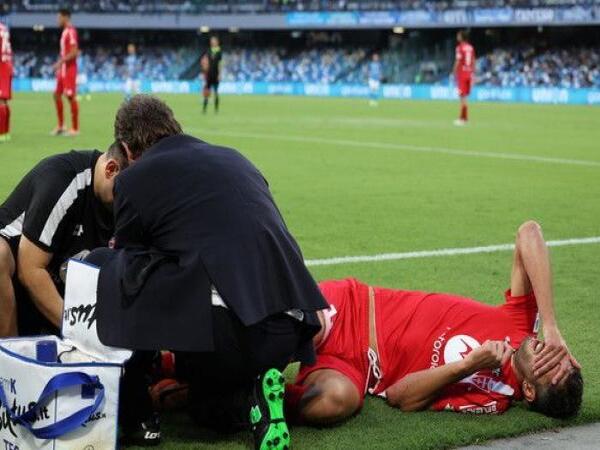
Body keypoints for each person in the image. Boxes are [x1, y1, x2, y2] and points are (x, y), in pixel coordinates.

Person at [90, 95, 327, 448]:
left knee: (105, 264)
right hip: (291, 330)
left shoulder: (135, 178)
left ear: (125, 148)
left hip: (228, 335)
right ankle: (255, 398)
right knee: (206, 410)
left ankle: (134, 404)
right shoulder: (236, 158)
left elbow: (131, 269)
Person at [286, 221, 583, 425]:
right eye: (562, 357)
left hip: (355, 371)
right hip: (356, 309)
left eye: (551, 365)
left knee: (335, 402)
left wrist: (467, 366)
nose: (551, 350)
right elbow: (529, 232)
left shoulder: (492, 398)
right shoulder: (521, 324)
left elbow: (398, 396)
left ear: (529, 391)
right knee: (304, 330)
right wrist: (552, 327)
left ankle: (249, 402)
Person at [0, 143, 126, 337]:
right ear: (110, 169)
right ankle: (10, 358)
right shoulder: (62, 178)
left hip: (64, 294)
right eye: (128, 190)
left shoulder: (131, 199)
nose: (132, 198)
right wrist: (83, 334)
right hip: (20, 286)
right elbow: (30, 271)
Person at [51, 8, 80, 136]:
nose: (58, 20)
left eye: (59, 17)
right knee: (56, 94)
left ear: (65, 17)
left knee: (70, 96)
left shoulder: (71, 31)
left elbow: (74, 52)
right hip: (63, 69)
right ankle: (61, 125)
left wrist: (60, 62)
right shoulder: (65, 32)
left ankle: (75, 128)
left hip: (69, 69)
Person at [453, 30, 475, 126]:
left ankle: (463, 119)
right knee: (464, 97)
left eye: (458, 36)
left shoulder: (459, 48)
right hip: (469, 73)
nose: (457, 37)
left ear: (461, 37)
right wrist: (473, 73)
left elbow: (458, 61)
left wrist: (454, 71)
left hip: (462, 73)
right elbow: (473, 60)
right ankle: (464, 118)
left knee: (462, 97)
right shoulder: (471, 47)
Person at [201, 36, 222, 114]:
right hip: (209, 75)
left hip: (215, 75)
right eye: (211, 41)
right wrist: (204, 69)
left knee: (216, 92)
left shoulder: (219, 51)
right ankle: (204, 109)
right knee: (206, 92)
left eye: (214, 41)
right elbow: (205, 61)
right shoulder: (208, 51)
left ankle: (216, 110)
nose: (212, 42)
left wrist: (219, 74)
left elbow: (220, 63)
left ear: (217, 42)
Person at [0, 21, 12, 142]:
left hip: (1, 65)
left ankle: (1, 134)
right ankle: (6, 132)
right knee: (4, 100)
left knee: (1, 101)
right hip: (7, 64)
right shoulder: (4, 27)